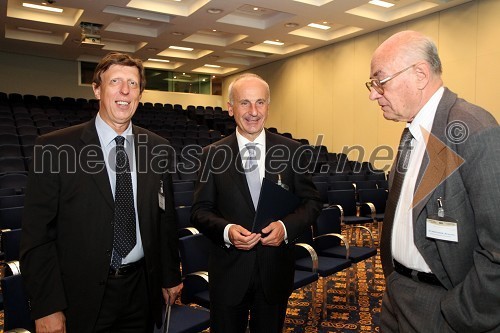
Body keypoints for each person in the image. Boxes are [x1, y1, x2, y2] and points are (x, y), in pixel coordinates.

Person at [20, 52, 183, 332]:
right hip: (81, 297)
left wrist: (169, 276)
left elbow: (164, 220)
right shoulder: (55, 148)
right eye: (115, 81)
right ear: (97, 88)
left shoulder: (158, 147)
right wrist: (47, 306)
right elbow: (37, 236)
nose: (124, 91)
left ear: (140, 93)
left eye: (133, 84)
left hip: (141, 291)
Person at [366, 30, 500, 332]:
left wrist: (460, 314)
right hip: (397, 295)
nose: (373, 94)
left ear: (420, 75)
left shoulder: (475, 130)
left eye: (379, 81)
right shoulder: (412, 131)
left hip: (443, 307)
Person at [191, 73, 322, 332]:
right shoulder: (211, 155)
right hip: (229, 273)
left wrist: (285, 228)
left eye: (260, 102)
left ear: (268, 107)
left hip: (275, 273)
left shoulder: (293, 150)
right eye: (244, 103)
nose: (253, 111)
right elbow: (199, 211)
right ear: (230, 108)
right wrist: (227, 231)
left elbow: (312, 202)